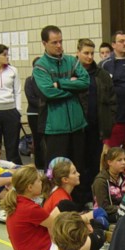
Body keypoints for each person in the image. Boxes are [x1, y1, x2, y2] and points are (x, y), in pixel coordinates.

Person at [33, 26, 90, 186]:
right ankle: (54, 202)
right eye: (54, 42)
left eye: (60, 41)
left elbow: (85, 82)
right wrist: (73, 89)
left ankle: (79, 203)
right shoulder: (40, 67)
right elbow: (48, 92)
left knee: (78, 167)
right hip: (55, 127)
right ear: (44, 43)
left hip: (77, 125)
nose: (59, 45)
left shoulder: (72, 61)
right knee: (56, 170)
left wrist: (60, 83)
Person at [75, 38, 117, 196]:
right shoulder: (71, 72)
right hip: (77, 127)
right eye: (85, 53)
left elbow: (112, 100)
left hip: (96, 126)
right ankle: (80, 195)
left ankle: (93, 195)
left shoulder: (102, 74)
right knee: (79, 163)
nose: (89, 56)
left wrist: (109, 121)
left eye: (92, 53)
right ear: (77, 53)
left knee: (94, 163)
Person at [4, 165, 58, 250]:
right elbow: (56, 224)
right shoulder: (30, 208)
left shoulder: (17, 203)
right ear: (29, 187)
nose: (41, 182)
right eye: (38, 181)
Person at [91, 146, 125, 224]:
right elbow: (104, 207)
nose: (123, 162)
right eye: (119, 160)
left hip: (121, 211)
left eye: (124, 159)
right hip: (105, 214)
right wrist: (124, 208)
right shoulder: (100, 181)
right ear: (109, 162)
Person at [25, 57, 46, 170]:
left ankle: (47, 162)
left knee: (46, 140)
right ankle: (39, 164)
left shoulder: (47, 79)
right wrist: (45, 103)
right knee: (37, 140)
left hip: (47, 113)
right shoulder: (29, 80)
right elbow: (31, 99)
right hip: (34, 114)